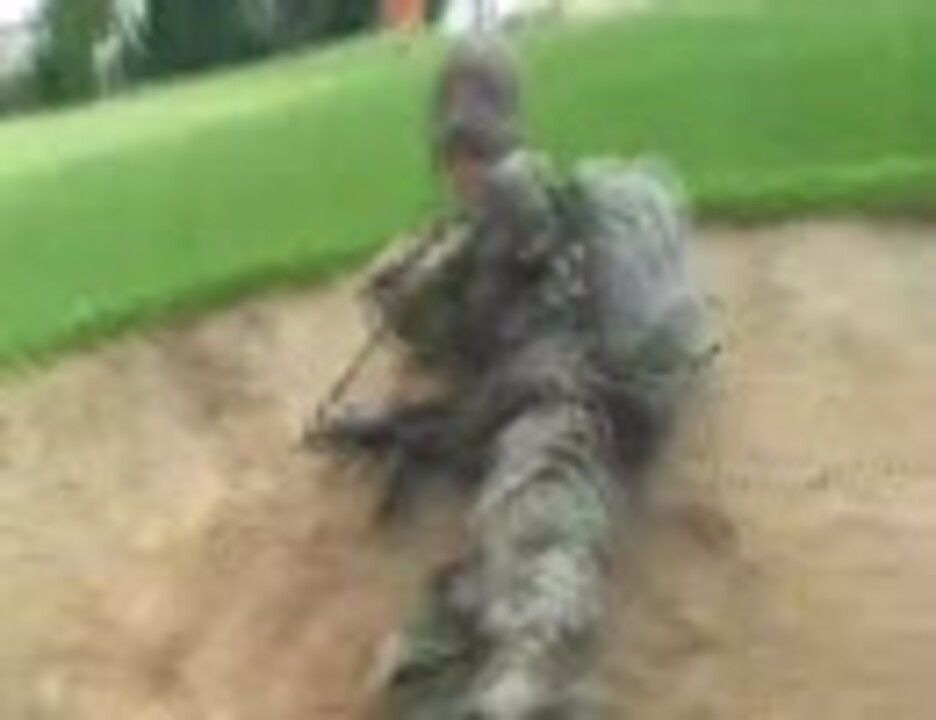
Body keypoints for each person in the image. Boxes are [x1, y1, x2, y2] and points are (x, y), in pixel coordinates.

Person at [312, 37, 701, 719]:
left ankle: (531, 691)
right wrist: (408, 430)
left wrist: (441, 259)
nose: (459, 167)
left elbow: (506, 213)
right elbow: (430, 339)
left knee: (531, 642)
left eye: (463, 147)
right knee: (430, 660)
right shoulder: (495, 235)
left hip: (557, 431)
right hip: (526, 453)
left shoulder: (514, 198)